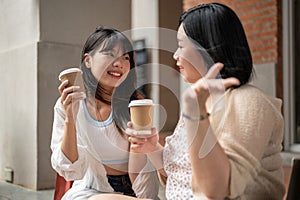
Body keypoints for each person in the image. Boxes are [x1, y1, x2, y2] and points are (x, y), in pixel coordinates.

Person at [90, 2, 286, 200]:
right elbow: (180, 172)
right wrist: (152, 148)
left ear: (208, 48)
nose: (175, 56)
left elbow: (217, 190)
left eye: (181, 46)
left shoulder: (249, 102)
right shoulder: (203, 101)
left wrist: (196, 114)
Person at [50, 26, 159, 200]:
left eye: (126, 57)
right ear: (88, 60)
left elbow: (139, 165)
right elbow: (70, 169)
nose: (119, 63)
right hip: (92, 189)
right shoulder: (69, 104)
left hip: (134, 189)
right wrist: (71, 116)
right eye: (110, 54)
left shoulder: (135, 102)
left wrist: (144, 197)